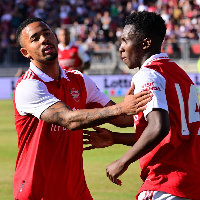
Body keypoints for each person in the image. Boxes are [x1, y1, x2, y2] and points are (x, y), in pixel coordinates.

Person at [13, 17, 153, 200]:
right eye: (35, 38)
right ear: (26, 53)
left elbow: (124, 120)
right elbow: (68, 119)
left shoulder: (80, 81)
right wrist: (121, 108)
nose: (44, 39)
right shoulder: (28, 86)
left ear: (55, 38)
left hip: (76, 191)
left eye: (47, 34)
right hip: (38, 191)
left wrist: (158, 108)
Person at [84, 11, 200, 200]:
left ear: (145, 43)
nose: (120, 48)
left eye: (125, 41)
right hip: (191, 181)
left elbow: (158, 127)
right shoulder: (181, 75)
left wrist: (122, 162)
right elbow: (171, 133)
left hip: (166, 181)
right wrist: (115, 137)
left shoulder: (148, 74)